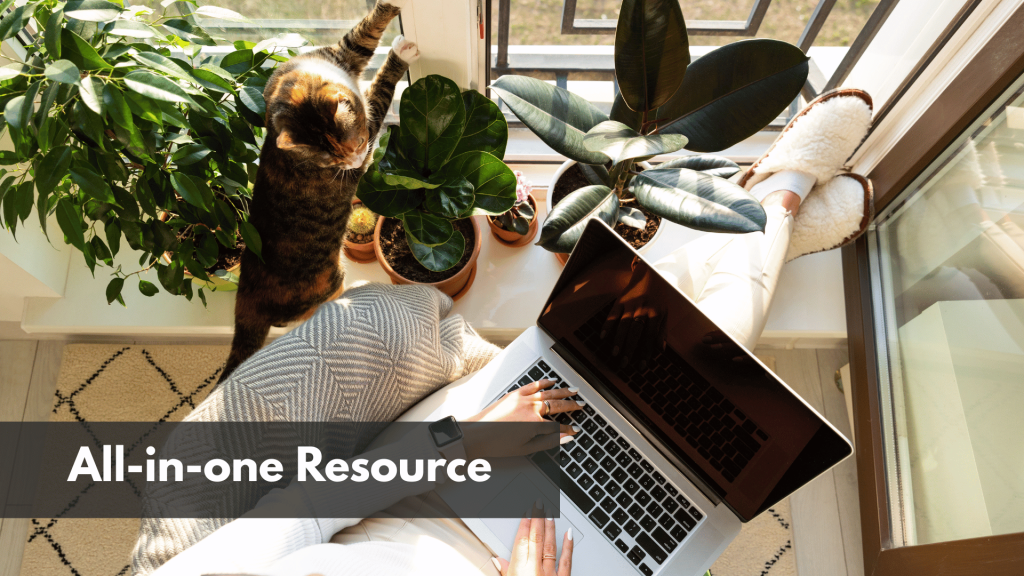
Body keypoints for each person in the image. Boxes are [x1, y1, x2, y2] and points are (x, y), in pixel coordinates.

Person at [136, 89, 874, 576]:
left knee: (635, 355)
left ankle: (771, 210)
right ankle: (772, 209)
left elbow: (312, 507)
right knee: (701, 394)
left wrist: (464, 445)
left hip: (419, 495)